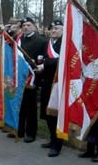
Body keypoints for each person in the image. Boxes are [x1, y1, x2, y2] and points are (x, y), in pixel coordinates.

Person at [16, 17, 47, 142]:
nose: (25, 27)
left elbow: (44, 58)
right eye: (23, 25)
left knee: (30, 107)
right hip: (19, 76)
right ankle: (19, 130)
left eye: (28, 25)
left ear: (34, 26)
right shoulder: (18, 40)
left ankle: (31, 132)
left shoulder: (41, 41)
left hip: (32, 77)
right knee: (19, 104)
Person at [38, 20, 63, 157]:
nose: (54, 30)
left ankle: (57, 144)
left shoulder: (65, 45)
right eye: (52, 28)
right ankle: (52, 138)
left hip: (58, 83)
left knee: (56, 114)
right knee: (48, 113)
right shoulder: (48, 44)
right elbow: (43, 58)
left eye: (57, 28)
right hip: (47, 81)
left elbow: (60, 60)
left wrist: (45, 64)